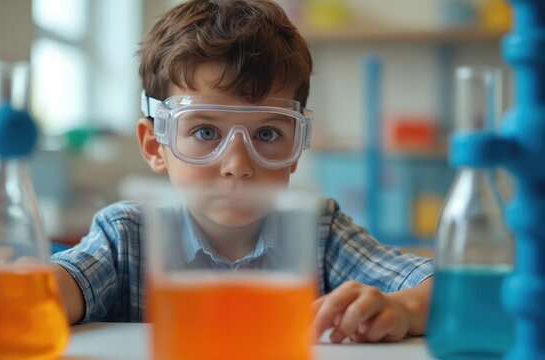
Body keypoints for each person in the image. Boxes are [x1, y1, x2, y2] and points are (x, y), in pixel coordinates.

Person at [50, 0, 434, 344]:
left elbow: (446, 291)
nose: (237, 165)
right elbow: (53, 291)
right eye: (205, 132)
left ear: (296, 147)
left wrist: (403, 308)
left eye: (267, 134)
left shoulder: (319, 231)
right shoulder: (126, 236)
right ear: (155, 146)